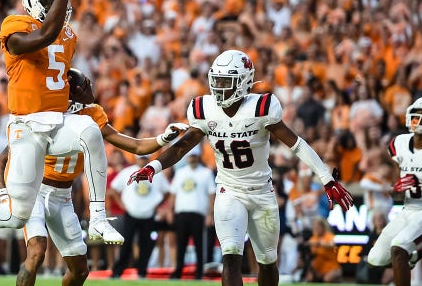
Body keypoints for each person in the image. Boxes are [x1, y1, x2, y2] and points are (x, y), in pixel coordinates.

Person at [128, 49, 354, 286]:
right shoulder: (204, 109)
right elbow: (182, 147)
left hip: (261, 192)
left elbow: (296, 144)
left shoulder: (261, 107)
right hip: (229, 190)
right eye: (216, 81)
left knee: (267, 261)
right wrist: (153, 165)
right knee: (231, 257)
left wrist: (326, 177)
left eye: (226, 81)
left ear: (244, 81)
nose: (219, 87)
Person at [0, 0, 124, 260]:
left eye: (60, 3)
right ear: (32, 1)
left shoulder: (69, 35)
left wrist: (84, 93)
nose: (57, 11)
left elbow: (61, 77)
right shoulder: (14, 26)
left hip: (56, 121)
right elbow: (45, 35)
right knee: (17, 217)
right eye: (50, 3)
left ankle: (99, 217)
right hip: (26, 127)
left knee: (90, 131)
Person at [0, 68, 188, 285]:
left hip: (63, 195)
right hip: (37, 190)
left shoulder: (91, 115)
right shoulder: (44, 115)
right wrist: (3, 195)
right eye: (84, 85)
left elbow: (136, 145)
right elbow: (3, 159)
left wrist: (162, 138)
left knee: (80, 271)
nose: (90, 89)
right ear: (72, 92)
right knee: (37, 252)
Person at [367, 96, 422, 286]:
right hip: (408, 210)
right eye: (416, 113)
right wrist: (395, 190)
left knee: (398, 248)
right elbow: (397, 190)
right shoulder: (399, 144)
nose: (417, 117)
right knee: (375, 260)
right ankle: (413, 255)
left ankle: (408, 254)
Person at [168, 146, 216, 280]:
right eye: (190, 156)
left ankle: (199, 273)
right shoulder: (180, 172)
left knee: (199, 245)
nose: (192, 158)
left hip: (198, 213)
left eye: (194, 156)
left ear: (198, 157)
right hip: (182, 212)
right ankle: (178, 271)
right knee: (181, 244)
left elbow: (212, 194)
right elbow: (173, 193)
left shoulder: (206, 172)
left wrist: (209, 214)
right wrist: (170, 211)